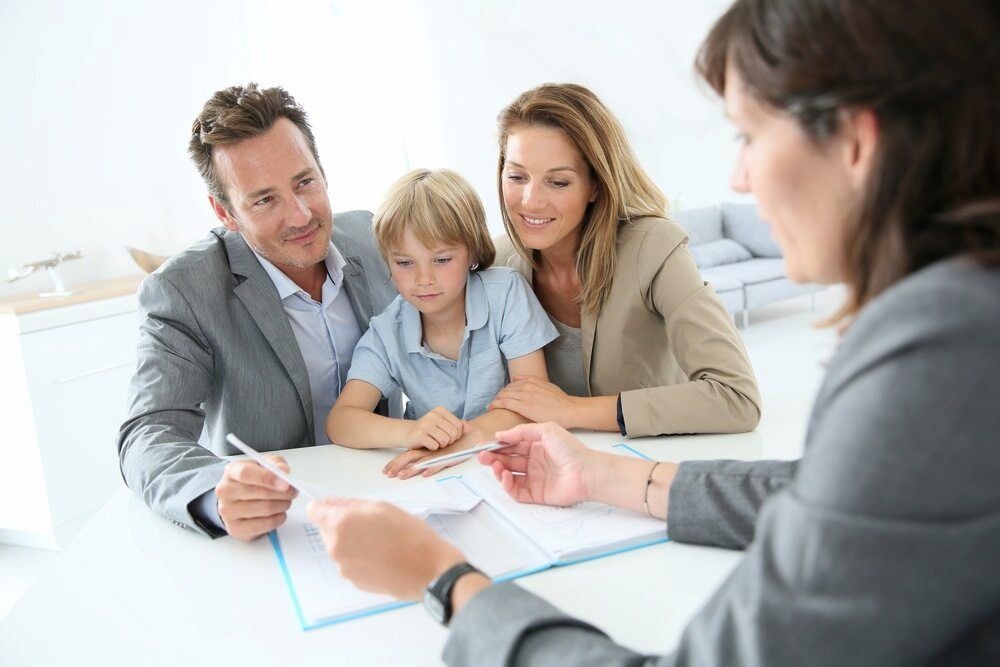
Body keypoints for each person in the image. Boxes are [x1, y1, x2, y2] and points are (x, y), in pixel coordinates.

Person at [307, 0, 1000, 663]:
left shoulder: (937, 359)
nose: (739, 176)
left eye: (748, 135)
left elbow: (744, 410)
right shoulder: (953, 322)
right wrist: (606, 475)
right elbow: (822, 495)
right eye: (516, 177)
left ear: (854, 142)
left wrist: (443, 578)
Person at [117, 84, 399, 541]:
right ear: (225, 211)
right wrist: (214, 493)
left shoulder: (373, 236)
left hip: (394, 494)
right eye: (265, 200)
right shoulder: (182, 289)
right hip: (281, 528)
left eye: (305, 182)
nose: (301, 215)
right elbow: (148, 433)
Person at [486, 82, 761, 437]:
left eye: (558, 182)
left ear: (595, 186)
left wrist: (572, 410)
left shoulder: (654, 249)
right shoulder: (495, 264)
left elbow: (737, 398)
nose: (530, 200)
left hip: (651, 467)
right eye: (517, 177)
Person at [327, 169, 557, 478]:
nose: (424, 280)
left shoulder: (506, 294)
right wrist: (411, 433)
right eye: (405, 263)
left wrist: (463, 441)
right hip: (435, 472)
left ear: (471, 251)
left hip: (507, 461)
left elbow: (534, 400)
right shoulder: (387, 332)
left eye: (442, 260)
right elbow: (341, 422)